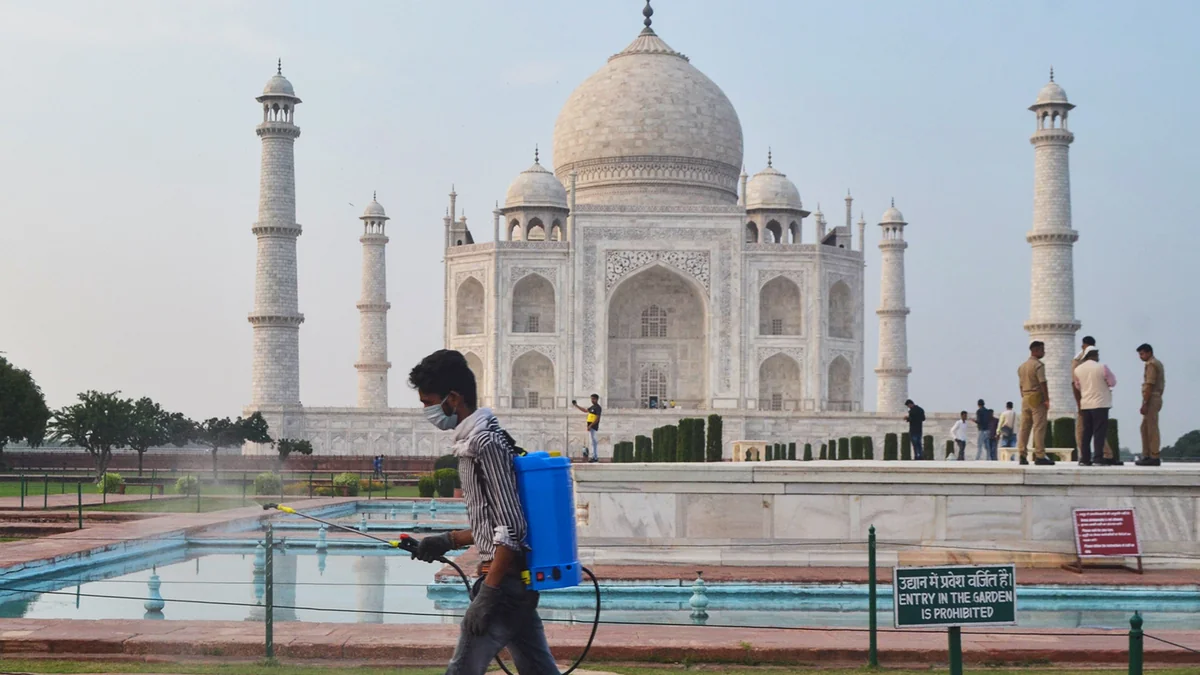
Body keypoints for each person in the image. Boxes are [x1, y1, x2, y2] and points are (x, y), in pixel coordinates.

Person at [406, 350, 558, 675]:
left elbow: (512, 526)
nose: (427, 411)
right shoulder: (472, 442)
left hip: (503, 587)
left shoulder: (485, 443)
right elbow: (494, 523)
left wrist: (488, 593)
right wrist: (447, 540)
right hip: (511, 585)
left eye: (429, 402)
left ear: (454, 398)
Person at [1072, 346, 1117, 466]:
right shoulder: (1102, 367)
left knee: (1086, 432)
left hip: (1086, 404)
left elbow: (1077, 386)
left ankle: (1085, 458)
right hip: (1101, 403)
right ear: (1095, 355)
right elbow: (1112, 382)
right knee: (1099, 432)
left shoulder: (1078, 370)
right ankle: (1098, 457)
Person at [1017, 341, 1055, 466]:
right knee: (1039, 427)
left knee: (1024, 427)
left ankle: (1022, 454)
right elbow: (1042, 382)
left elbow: (1020, 385)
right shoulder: (1038, 365)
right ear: (1036, 350)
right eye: (1042, 349)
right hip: (1036, 397)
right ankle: (1039, 455)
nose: (1044, 352)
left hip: (1025, 397)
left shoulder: (1022, 366)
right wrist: (1046, 399)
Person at [1136, 343, 1165, 467]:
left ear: (1149, 352)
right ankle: (1147, 454)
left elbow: (1149, 385)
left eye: (1142, 354)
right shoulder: (1156, 363)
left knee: (1151, 428)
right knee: (1145, 428)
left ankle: (1154, 455)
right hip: (1154, 397)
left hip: (1151, 398)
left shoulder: (1151, 364)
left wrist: (1145, 403)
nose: (1140, 357)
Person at [1071, 336, 1096, 452]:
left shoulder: (1091, 359)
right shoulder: (1078, 361)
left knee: (1097, 427)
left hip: (1092, 396)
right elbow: (1074, 383)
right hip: (1084, 397)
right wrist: (1078, 403)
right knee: (1083, 428)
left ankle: (1106, 454)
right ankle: (1083, 453)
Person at [572, 394, 602, 463]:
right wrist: (576, 405)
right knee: (592, 442)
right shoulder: (592, 407)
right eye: (591, 399)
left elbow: (597, 418)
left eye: (593, 399)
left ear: (597, 399)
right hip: (591, 427)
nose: (592, 400)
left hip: (593, 427)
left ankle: (595, 457)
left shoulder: (598, 407)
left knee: (594, 442)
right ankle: (594, 456)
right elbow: (585, 410)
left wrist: (590, 425)